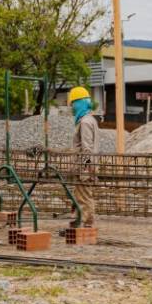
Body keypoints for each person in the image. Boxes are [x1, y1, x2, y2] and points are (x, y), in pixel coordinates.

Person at [69, 86, 98, 228]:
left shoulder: (85, 122)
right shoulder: (90, 119)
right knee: (82, 194)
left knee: (84, 196)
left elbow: (87, 147)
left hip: (84, 166)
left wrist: (86, 169)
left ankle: (84, 224)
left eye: (73, 104)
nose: (72, 108)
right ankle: (82, 222)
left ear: (80, 103)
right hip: (86, 165)